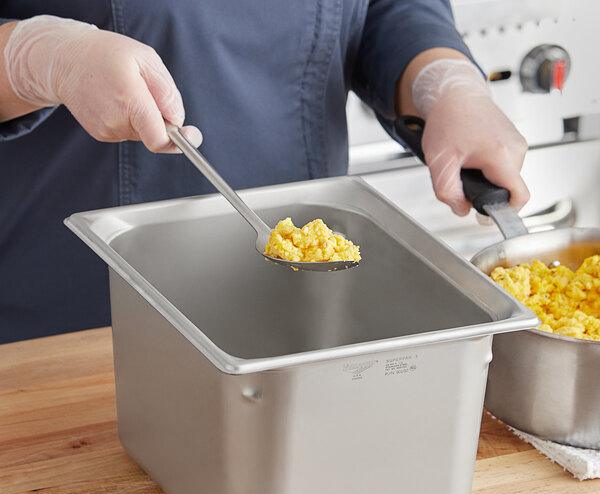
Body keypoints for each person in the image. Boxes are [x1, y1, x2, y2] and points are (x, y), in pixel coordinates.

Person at [0, 1, 529, 344]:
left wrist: (444, 81)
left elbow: (385, 9)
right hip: (70, 320)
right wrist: (41, 58)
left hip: (303, 307)